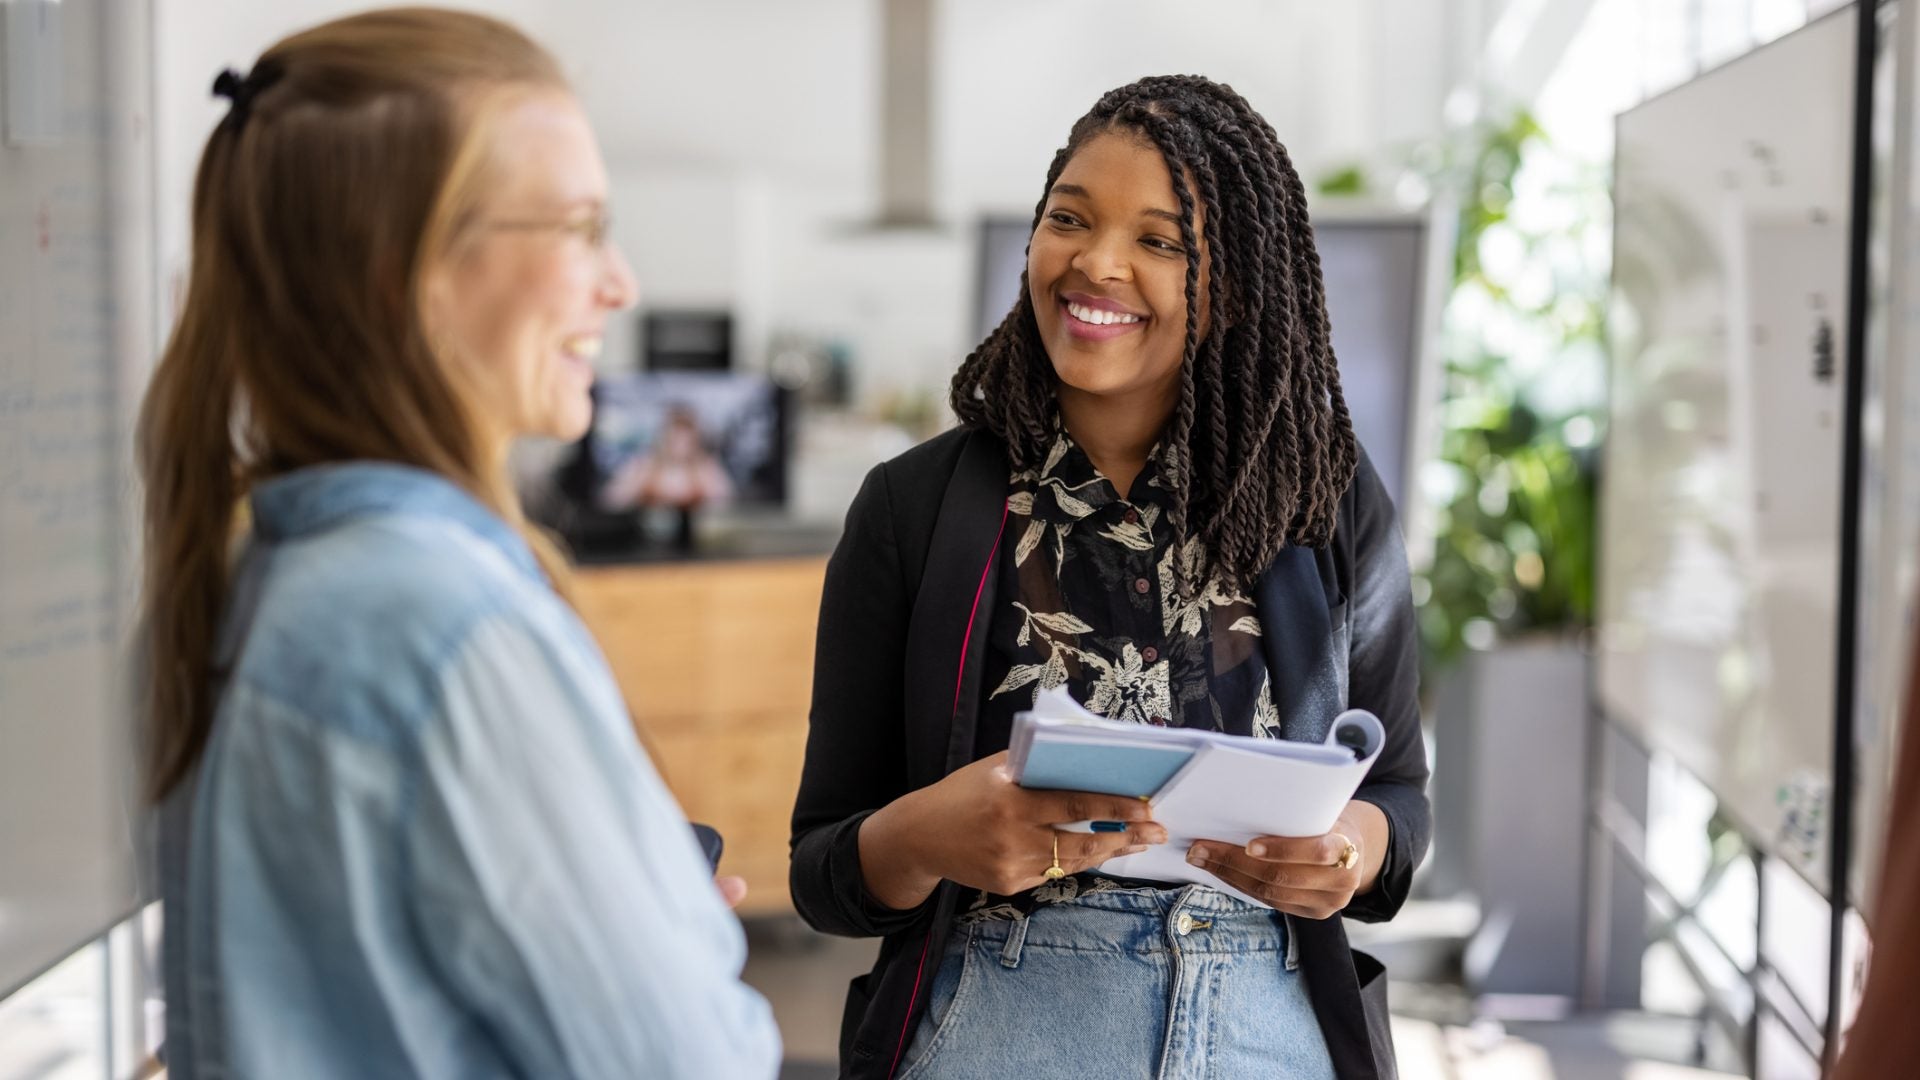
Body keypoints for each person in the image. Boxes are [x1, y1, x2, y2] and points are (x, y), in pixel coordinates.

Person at [137, 9, 779, 1077]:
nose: (618, 283)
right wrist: (677, 934)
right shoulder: (439, 624)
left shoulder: (264, 576)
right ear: (404, 271)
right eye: (576, 227)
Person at [790, 75, 1428, 1079]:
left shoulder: (1324, 502)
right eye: (1069, 219)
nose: (1095, 262)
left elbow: (1397, 796)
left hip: (1270, 1022)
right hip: (1000, 1019)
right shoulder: (911, 510)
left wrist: (1350, 846)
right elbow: (823, 870)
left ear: (1238, 283)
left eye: (1160, 241)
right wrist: (927, 838)